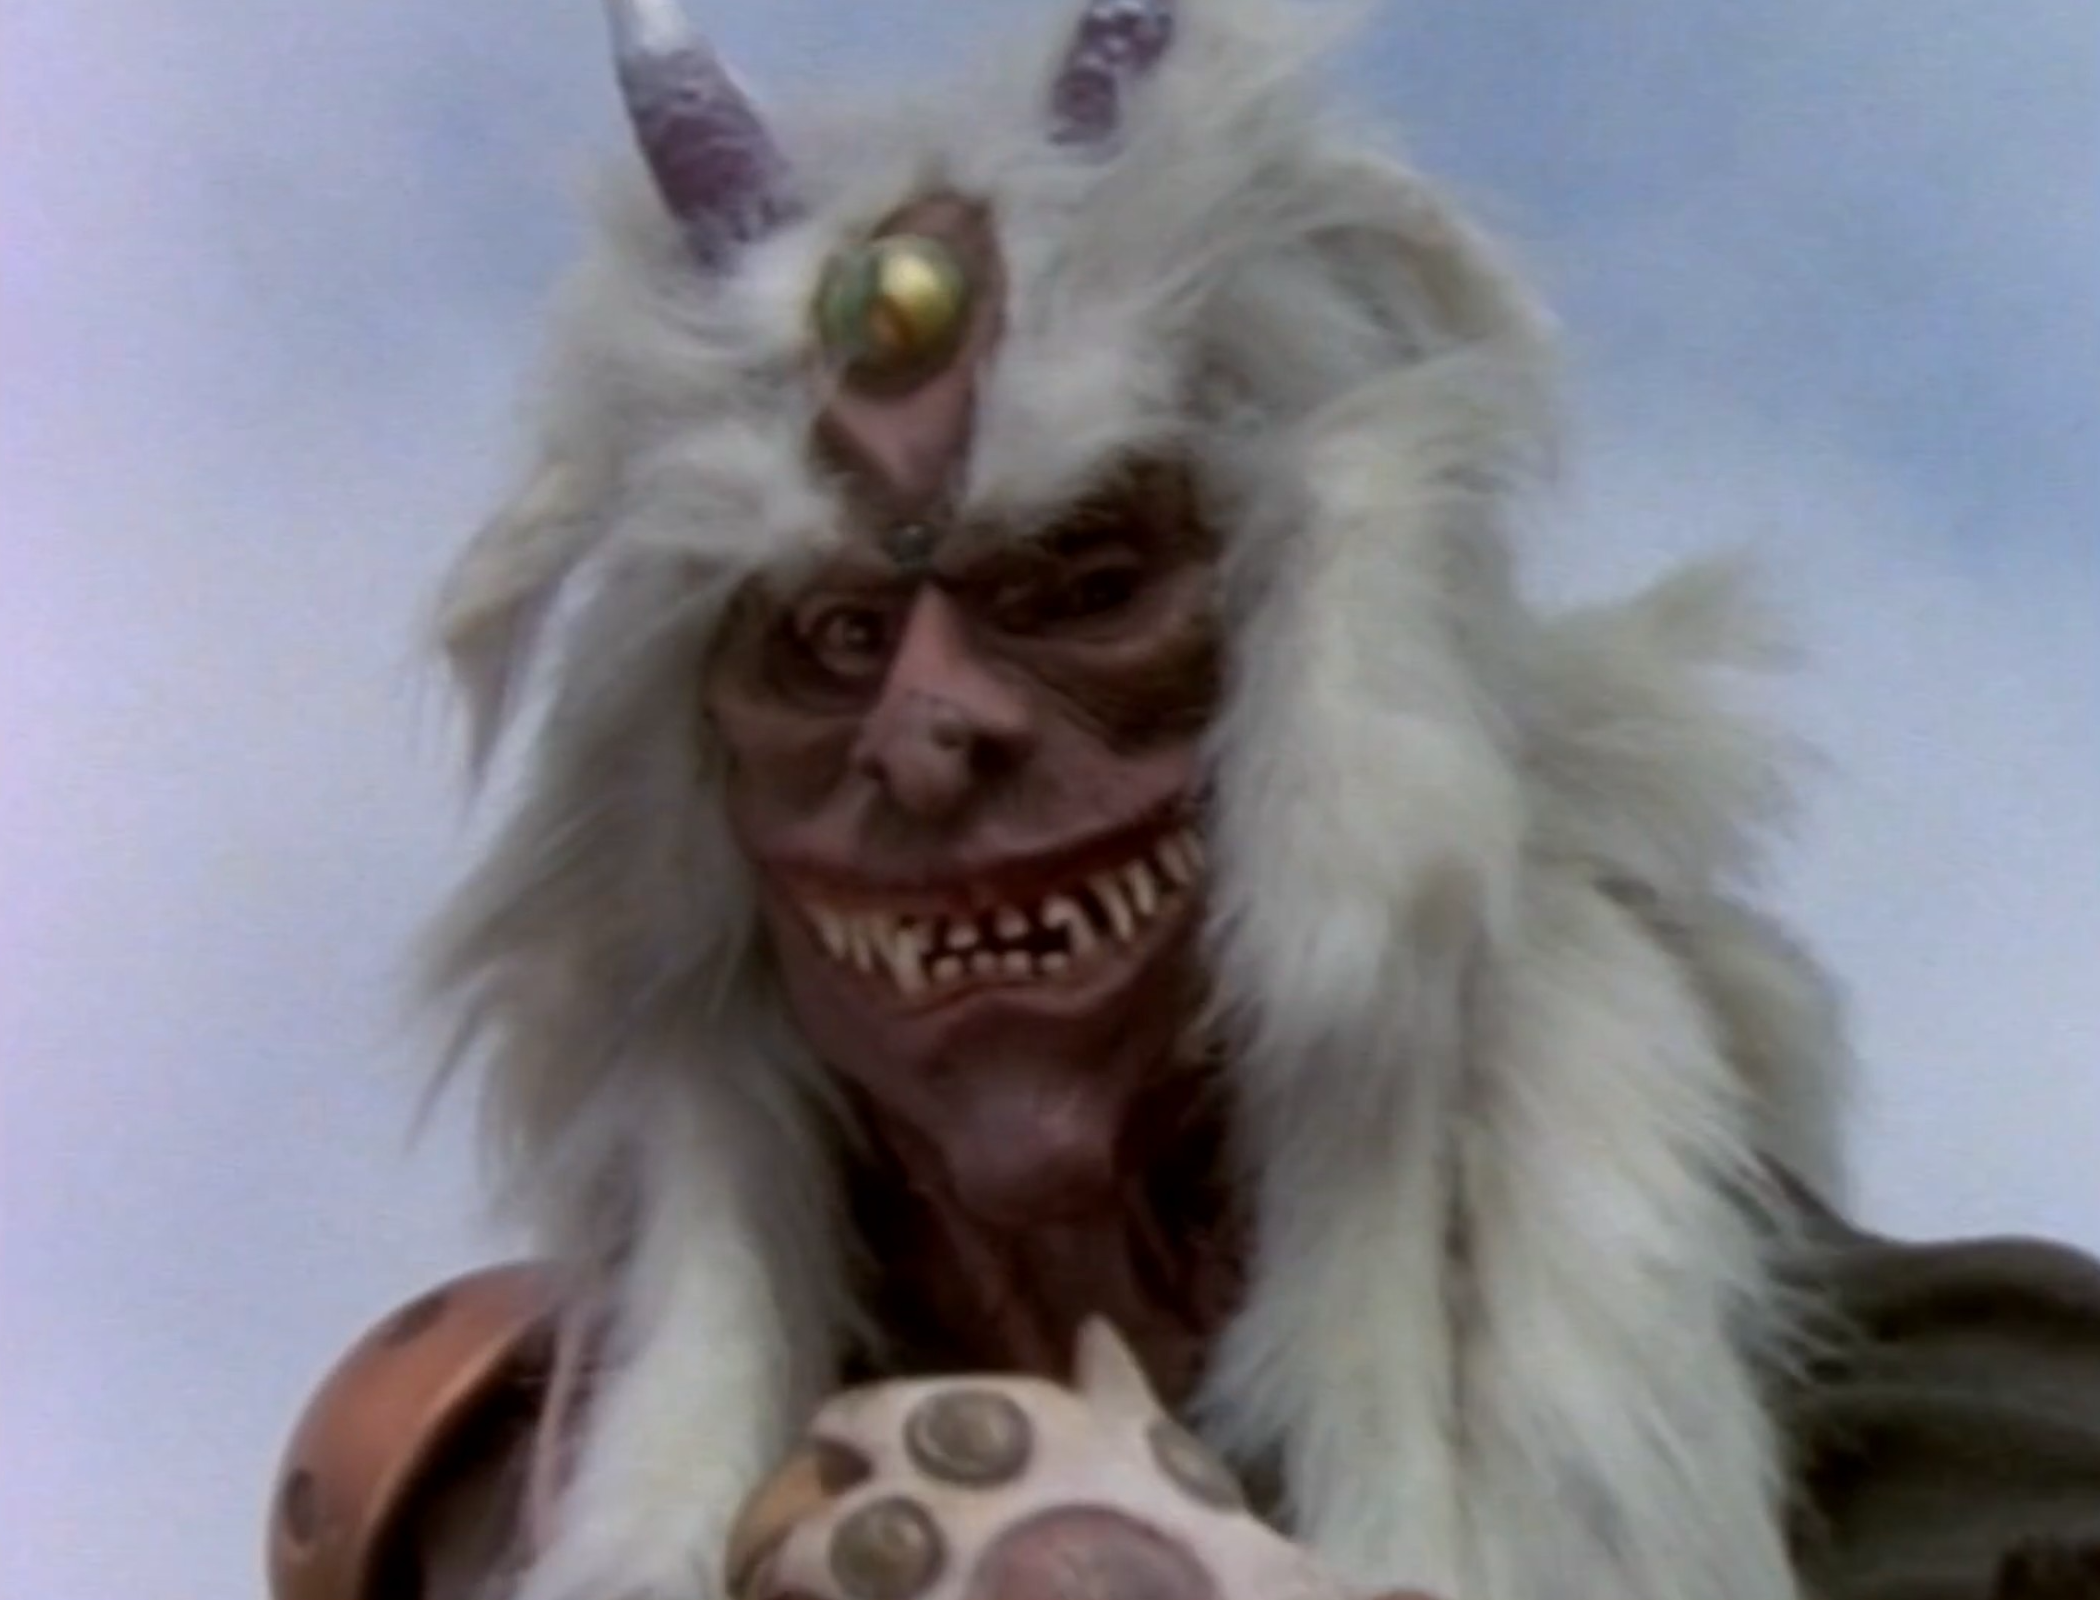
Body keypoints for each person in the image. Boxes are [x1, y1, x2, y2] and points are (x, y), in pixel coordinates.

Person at [266, 3, 2100, 1599]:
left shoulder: (1974, 1426)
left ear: (1331, 661)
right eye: (827, 641)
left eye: (1080, 585)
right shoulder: (494, 1504)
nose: (926, 730)